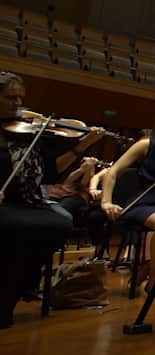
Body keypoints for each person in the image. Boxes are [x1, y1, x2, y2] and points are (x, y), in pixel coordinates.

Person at [0, 72, 95, 328]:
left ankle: (18, 288)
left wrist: (82, 145)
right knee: (19, 231)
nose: (18, 104)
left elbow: (50, 171)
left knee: (58, 223)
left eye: (20, 98)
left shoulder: (24, 134)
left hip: (24, 201)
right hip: (5, 204)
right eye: (10, 98)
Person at [99, 105, 155, 294]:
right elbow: (112, 172)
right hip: (145, 202)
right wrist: (106, 201)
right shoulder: (146, 145)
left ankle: (147, 267)